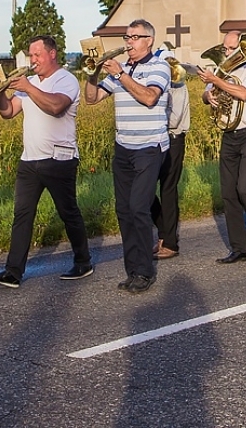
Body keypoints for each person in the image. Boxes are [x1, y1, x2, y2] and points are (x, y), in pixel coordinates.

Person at [0, 36, 94, 289]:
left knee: (68, 212)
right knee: (22, 215)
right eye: (30, 56)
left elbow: (56, 107)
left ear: (52, 54)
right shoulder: (29, 82)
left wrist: (29, 87)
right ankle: (13, 272)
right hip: (30, 159)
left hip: (59, 158)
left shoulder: (66, 80)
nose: (32, 60)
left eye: (37, 55)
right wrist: (0, 93)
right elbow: (8, 112)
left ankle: (83, 261)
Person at [84, 19, 172, 292]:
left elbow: (149, 98)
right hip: (124, 146)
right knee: (123, 211)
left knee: (138, 208)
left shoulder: (160, 66)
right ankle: (132, 270)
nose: (128, 42)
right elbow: (92, 98)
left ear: (149, 40)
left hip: (149, 147)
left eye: (135, 37)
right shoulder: (123, 70)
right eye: (127, 37)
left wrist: (122, 74)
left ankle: (145, 272)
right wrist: (92, 73)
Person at [195, 31, 246, 265]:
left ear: (242, 48)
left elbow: (243, 93)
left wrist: (216, 81)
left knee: (245, 189)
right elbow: (207, 95)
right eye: (225, 49)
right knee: (228, 192)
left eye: (230, 49)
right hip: (230, 133)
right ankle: (239, 247)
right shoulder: (222, 71)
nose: (226, 53)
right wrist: (208, 96)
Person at [150, 38, 191, 261]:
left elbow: (173, 119)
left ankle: (170, 243)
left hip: (173, 139)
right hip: (158, 138)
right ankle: (164, 233)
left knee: (168, 189)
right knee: (146, 189)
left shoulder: (178, 87)